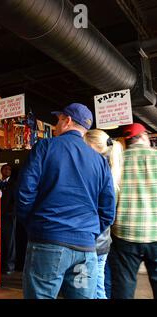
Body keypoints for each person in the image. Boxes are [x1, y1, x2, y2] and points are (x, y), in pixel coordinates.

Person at [16, 103, 116, 299]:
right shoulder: (100, 162)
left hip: (48, 241)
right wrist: (90, 232)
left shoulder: (45, 147)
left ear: (67, 120)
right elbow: (108, 210)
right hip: (86, 251)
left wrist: (34, 225)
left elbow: (24, 193)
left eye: (58, 120)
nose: (55, 126)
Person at [110, 123, 157, 299]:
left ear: (127, 140)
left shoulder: (117, 161)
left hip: (125, 233)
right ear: (144, 136)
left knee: (123, 286)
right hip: (155, 233)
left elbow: (110, 198)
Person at [84, 129, 124, 299]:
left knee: (87, 288)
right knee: (97, 286)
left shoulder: (98, 175)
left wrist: (90, 232)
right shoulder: (111, 174)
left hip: (92, 242)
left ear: (93, 147)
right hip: (102, 242)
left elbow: (105, 214)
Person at [0, 163, 19, 275]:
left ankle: (10, 266)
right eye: (5, 169)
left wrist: (12, 213)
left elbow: (16, 201)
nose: (7, 170)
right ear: (1, 171)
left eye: (9, 169)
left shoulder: (14, 184)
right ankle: (0, 264)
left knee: (9, 241)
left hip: (9, 216)